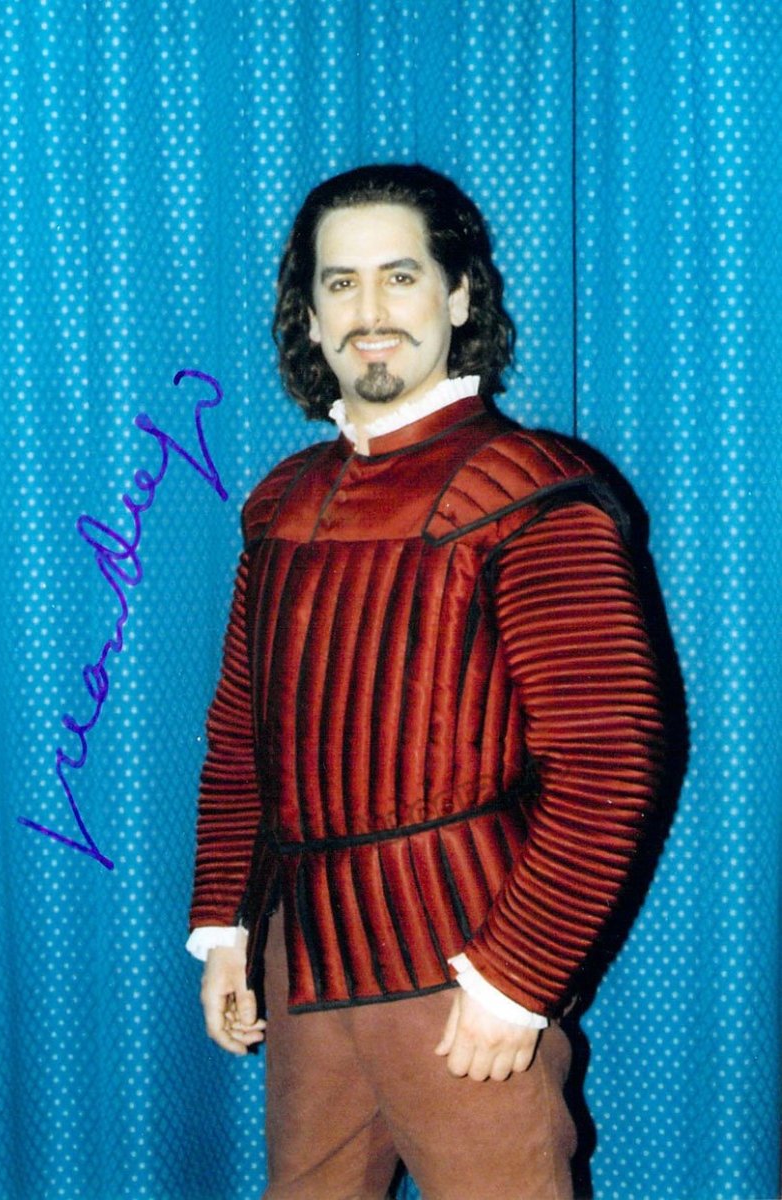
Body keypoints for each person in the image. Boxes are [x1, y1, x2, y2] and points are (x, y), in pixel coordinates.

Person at [187, 163, 665, 1199]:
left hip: (462, 964)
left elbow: (608, 758)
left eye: (399, 277)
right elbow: (240, 738)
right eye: (340, 283)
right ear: (309, 316)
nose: (369, 312)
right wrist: (227, 926)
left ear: (457, 298)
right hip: (303, 960)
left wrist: (517, 978)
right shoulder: (280, 505)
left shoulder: (530, 495)